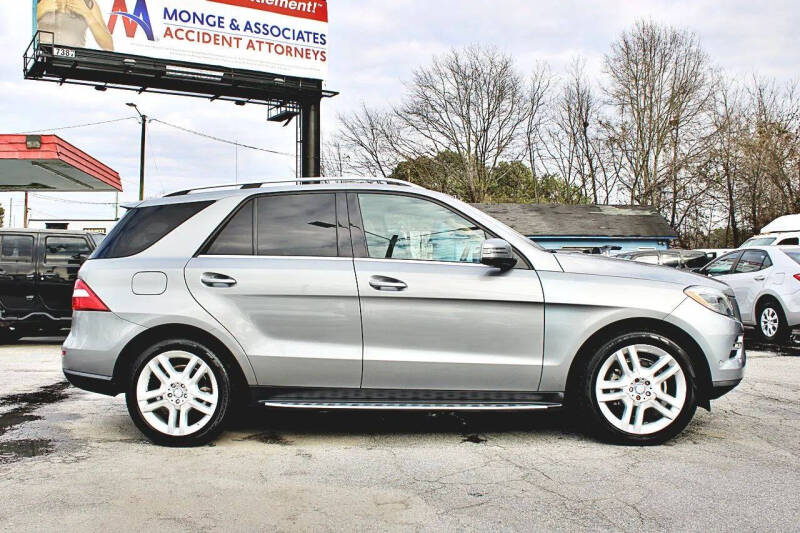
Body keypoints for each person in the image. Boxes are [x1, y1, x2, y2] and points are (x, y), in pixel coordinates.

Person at [37, 0, 114, 51]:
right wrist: (40, 9)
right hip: (43, 62)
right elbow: (25, 29)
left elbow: (109, 45)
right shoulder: (38, 2)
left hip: (75, 65)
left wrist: (87, 14)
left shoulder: (87, 2)